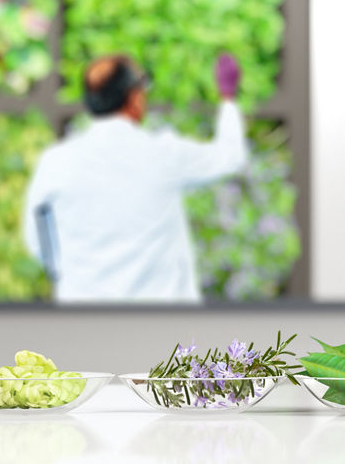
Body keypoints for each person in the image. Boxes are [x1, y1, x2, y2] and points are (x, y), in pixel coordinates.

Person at [21, 54, 247, 303]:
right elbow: (231, 157)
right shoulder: (163, 154)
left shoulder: (56, 162)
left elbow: (38, 240)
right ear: (134, 97)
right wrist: (228, 97)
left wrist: (71, 272)